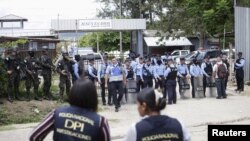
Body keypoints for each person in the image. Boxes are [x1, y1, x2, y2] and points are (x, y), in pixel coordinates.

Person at [29, 79, 111, 141]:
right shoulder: (101, 122)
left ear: (72, 94)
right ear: (93, 98)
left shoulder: (57, 113)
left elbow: (34, 136)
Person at [124, 88, 191, 141]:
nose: (137, 107)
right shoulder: (178, 124)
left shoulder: (136, 129)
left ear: (144, 106)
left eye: (138, 104)